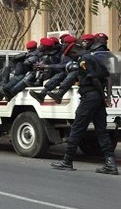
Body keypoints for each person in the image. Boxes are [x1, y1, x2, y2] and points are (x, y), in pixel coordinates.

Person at [51, 46, 118, 175]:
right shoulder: (96, 58)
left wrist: (103, 96)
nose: (73, 59)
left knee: (77, 128)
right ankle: (110, 164)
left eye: (72, 56)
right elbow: (108, 78)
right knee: (102, 131)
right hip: (97, 99)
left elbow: (94, 79)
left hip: (90, 97)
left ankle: (67, 160)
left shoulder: (83, 60)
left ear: (74, 52)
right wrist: (106, 97)